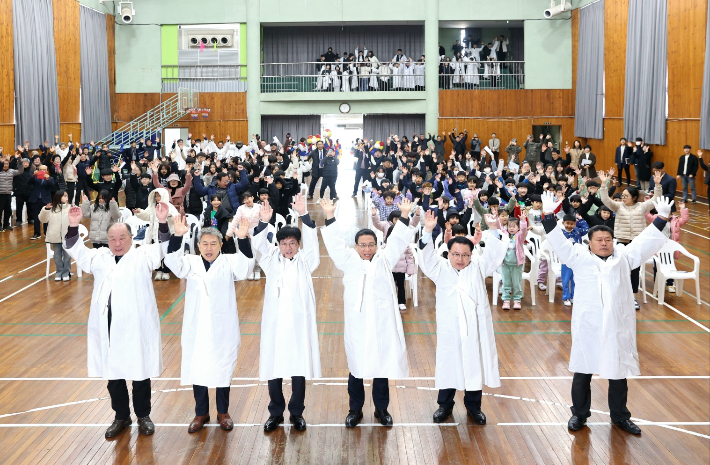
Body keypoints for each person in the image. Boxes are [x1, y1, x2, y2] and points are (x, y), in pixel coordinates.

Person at [539, 191, 672, 435]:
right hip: (588, 325)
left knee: (617, 372)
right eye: (598, 239)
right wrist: (548, 215)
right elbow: (558, 242)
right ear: (589, 242)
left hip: (616, 326)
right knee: (583, 372)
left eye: (607, 239)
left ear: (613, 241)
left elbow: (644, 243)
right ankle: (579, 415)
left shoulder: (624, 257)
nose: (603, 243)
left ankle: (620, 416)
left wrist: (662, 218)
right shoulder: (578, 257)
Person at [63, 201, 173, 439]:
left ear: (131, 238)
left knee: (140, 371)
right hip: (108, 323)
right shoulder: (100, 257)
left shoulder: (143, 255)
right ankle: (121, 416)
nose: (117, 243)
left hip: (136, 324)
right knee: (114, 374)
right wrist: (73, 226)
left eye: (122, 238)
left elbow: (165, 246)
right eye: (113, 239)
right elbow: (76, 250)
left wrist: (162, 221)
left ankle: (143, 415)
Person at [320, 197, 416, 427]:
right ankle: (355, 409)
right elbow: (333, 244)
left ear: (377, 244)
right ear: (355, 246)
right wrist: (330, 216)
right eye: (362, 245)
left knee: (381, 367)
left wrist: (403, 214)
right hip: (358, 324)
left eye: (370, 244)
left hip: (381, 324)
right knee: (356, 367)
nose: (366, 249)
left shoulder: (385, 259)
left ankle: (381, 410)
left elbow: (397, 241)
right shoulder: (348, 260)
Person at [417, 208, 508, 425]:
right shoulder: (440, 268)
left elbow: (494, 255)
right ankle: (444, 406)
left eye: (465, 255)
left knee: (473, 364)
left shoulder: (477, 266)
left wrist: (493, 229)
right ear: (448, 253)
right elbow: (425, 257)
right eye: (456, 254)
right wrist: (428, 231)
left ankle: (473, 407)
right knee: (449, 364)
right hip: (450, 327)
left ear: (471, 254)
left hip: (474, 327)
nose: (460, 259)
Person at [164, 216, 253, 433]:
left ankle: (223, 412)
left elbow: (245, 269)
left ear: (221, 245)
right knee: (198, 367)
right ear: (198, 246)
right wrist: (177, 235)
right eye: (204, 243)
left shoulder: (229, 262)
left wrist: (242, 239)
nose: (209, 248)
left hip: (223, 326)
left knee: (223, 367)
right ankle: (201, 412)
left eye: (213, 243)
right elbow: (172, 263)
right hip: (196, 326)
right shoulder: (191, 263)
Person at [252, 195, 321, 432]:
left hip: (299, 324)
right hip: (275, 325)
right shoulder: (270, 261)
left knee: (298, 369)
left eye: (292, 243)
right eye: (284, 243)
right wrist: (264, 222)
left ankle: (296, 412)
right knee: (275, 368)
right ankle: (275, 412)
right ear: (278, 245)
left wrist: (304, 214)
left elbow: (313, 243)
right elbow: (259, 244)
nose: (288, 247)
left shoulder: (306, 262)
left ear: (298, 245)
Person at [39, 190, 71, 281]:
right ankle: (59, 272)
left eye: (67, 196)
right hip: (55, 237)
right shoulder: (51, 209)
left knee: (67, 256)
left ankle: (66, 272)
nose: (66, 198)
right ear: (58, 197)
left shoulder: (70, 208)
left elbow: (77, 218)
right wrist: (46, 210)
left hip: (67, 237)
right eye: (64, 196)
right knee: (57, 256)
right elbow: (43, 219)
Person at [499, 211, 528, 310]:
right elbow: (499, 228)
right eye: (509, 226)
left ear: (518, 228)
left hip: (517, 264)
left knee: (516, 283)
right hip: (505, 264)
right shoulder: (504, 234)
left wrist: (523, 221)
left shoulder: (520, 236)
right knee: (506, 283)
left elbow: (524, 231)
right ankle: (506, 300)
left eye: (514, 226)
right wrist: (496, 218)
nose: (511, 228)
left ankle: (517, 300)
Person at [558, 214, 589, 307]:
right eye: (567, 223)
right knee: (566, 279)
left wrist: (581, 220)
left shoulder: (577, 231)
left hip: (576, 260)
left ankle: (574, 296)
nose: (569, 226)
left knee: (575, 279)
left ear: (575, 224)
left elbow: (586, 229)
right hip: (566, 261)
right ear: (563, 223)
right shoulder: (561, 233)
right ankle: (566, 297)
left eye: (572, 224)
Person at [28, 164, 55, 240]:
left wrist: (48, 179)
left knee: (46, 217)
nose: (42, 171)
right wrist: (33, 175)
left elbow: (54, 187)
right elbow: (28, 183)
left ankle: (47, 233)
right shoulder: (35, 177)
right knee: (36, 217)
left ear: (47, 171)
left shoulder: (51, 178)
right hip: (35, 199)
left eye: (44, 169)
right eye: (41, 169)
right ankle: (37, 233)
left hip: (46, 200)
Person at [0, 158, 24, 231]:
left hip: (8, 193)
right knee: (0, 210)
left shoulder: (11, 171)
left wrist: (20, 163)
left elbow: (20, 171)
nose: (5, 165)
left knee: (8, 210)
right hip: (0, 194)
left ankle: (6, 224)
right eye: (4, 164)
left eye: (7, 164)